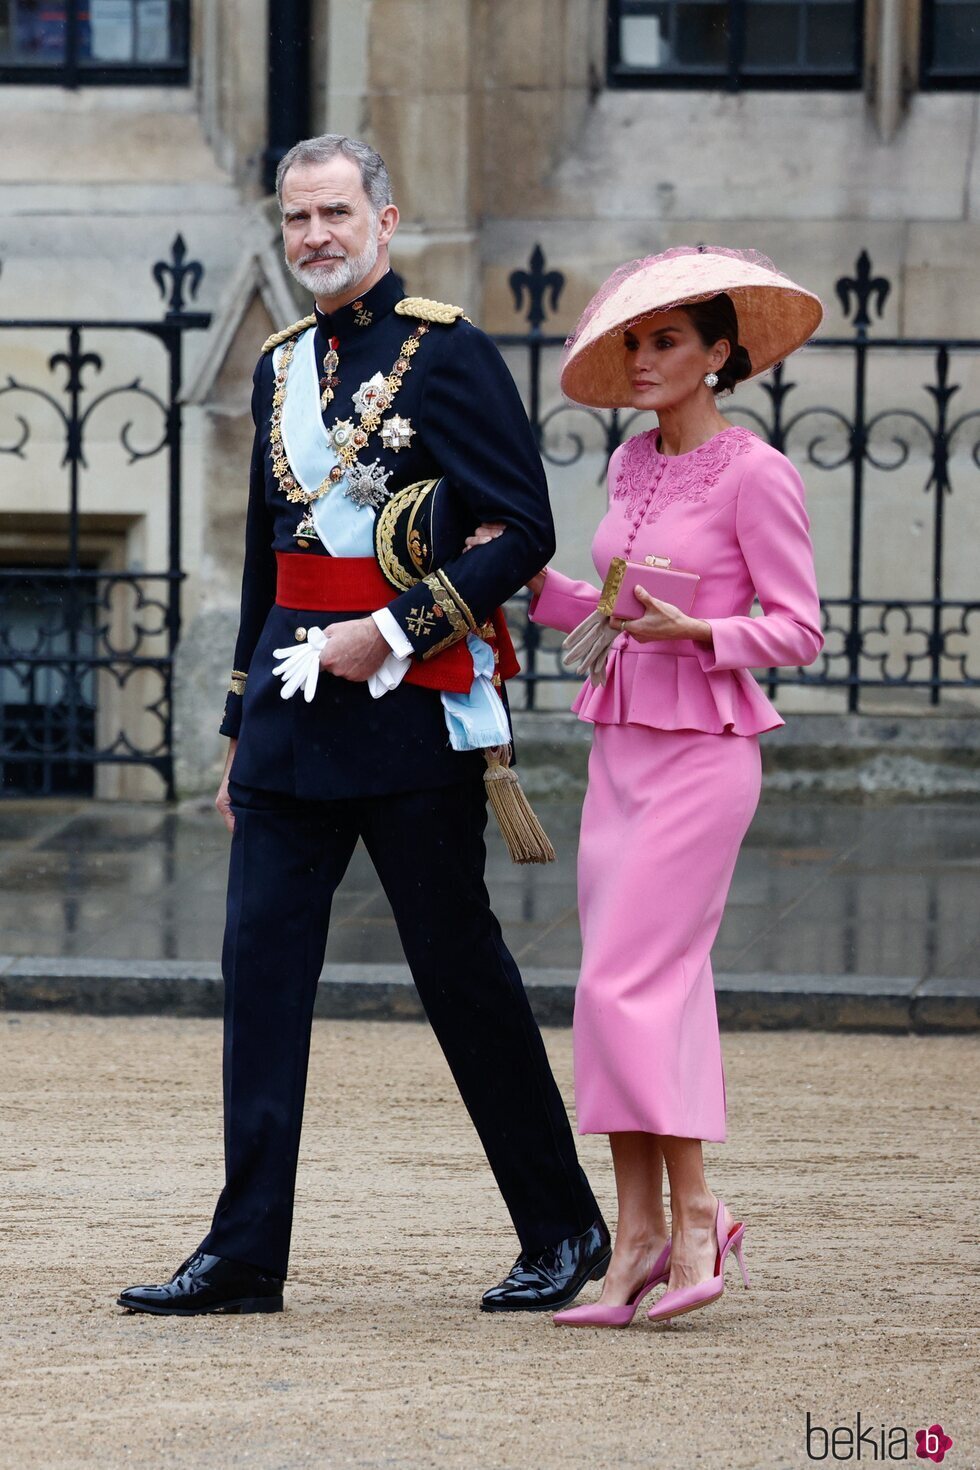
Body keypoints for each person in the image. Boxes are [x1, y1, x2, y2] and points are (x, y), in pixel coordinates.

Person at [117, 133, 608, 1317]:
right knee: (261, 983)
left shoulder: (450, 355)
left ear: (385, 221)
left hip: (406, 718)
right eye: (296, 220)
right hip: (291, 725)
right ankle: (244, 1255)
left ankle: (564, 1229)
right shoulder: (281, 365)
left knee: (459, 978)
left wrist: (391, 631)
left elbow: (522, 530)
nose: (315, 238)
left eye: (335, 213)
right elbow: (265, 564)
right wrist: (239, 731)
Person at [523, 246, 824, 1327]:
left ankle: (689, 1217)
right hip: (620, 752)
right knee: (635, 988)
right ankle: (641, 1231)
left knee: (622, 987)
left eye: (664, 342)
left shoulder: (755, 472)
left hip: (703, 755)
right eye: (632, 342)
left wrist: (698, 628)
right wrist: (523, 578)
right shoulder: (630, 467)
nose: (642, 358)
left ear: (716, 355)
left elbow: (796, 628)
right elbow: (605, 614)